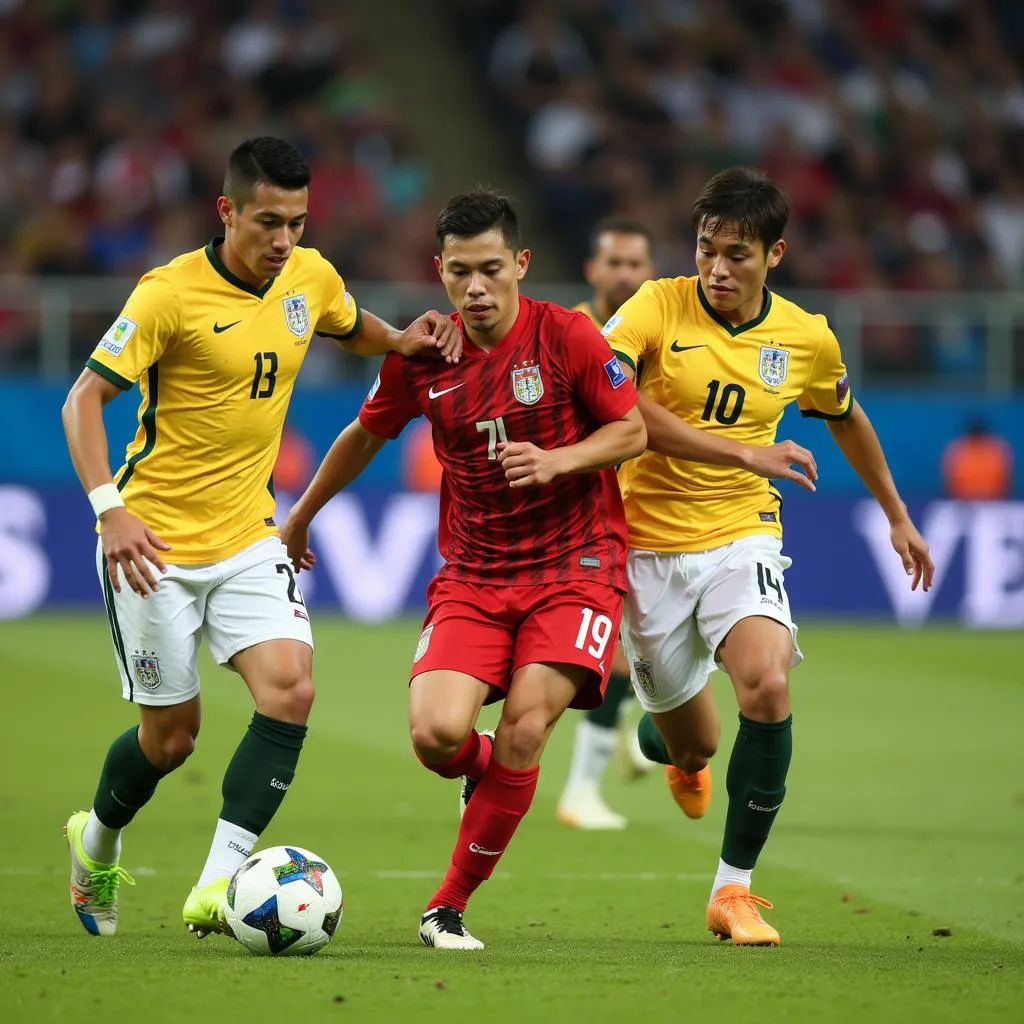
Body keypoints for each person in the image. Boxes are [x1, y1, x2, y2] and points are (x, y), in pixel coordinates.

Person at [60, 136, 462, 940]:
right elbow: (82, 402)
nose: (284, 240)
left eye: (299, 223)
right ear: (228, 211)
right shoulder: (166, 294)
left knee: (292, 689)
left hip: (251, 533)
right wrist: (110, 509)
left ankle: (217, 886)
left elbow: (346, 323)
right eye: (269, 221)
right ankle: (94, 844)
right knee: (170, 741)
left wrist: (401, 342)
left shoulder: (307, 275)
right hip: (155, 547)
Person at [280, 189, 647, 949]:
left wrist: (558, 460)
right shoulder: (426, 355)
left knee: (526, 727)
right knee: (437, 737)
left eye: (489, 270)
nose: (474, 289)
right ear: (438, 271)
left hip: (577, 564)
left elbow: (632, 429)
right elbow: (363, 433)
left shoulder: (569, 336)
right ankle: (496, 777)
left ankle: (446, 906)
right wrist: (302, 512)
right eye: (458, 274)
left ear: (520, 264)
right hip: (476, 574)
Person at [603, 167, 935, 946]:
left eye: (737, 254)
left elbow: (845, 416)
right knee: (693, 742)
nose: (716, 269)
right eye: (706, 249)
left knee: (767, 680)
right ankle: (668, 750)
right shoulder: (654, 305)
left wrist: (896, 513)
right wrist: (743, 452)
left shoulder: (806, 337)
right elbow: (611, 395)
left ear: (774, 253)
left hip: (742, 533)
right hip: (645, 545)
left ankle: (733, 891)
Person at [557, 217, 658, 830]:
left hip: (649, 513)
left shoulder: (659, 332)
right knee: (616, 660)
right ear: (593, 271)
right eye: (613, 263)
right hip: (584, 518)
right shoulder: (569, 332)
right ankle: (581, 790)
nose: (624, 274)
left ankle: (634, 732)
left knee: (641, 655)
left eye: (635, 264)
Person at [941, 416, 1013, 500]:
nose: (977, 439)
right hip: (963, 500)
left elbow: (1006, 479)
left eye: (979, 435)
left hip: (993, 499)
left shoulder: (999, 449)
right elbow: (948, 481)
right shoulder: (956, 450)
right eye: (974, 435)